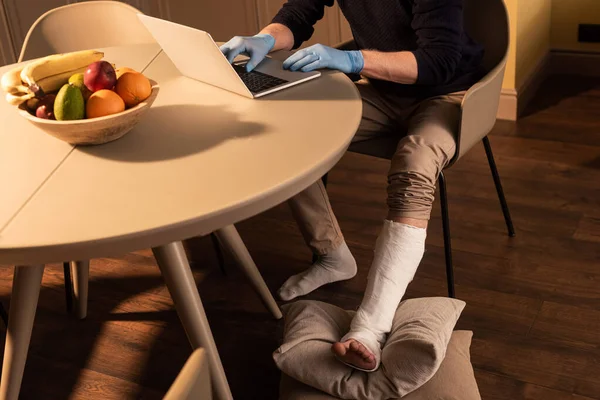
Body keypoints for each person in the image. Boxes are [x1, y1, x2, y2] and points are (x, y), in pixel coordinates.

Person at [221, 0, 484, 372]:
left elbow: (439, 62)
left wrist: (355, 60)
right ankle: (333, 256)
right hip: (384, 89)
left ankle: (371, 326)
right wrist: (262, 39)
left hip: (448, 93)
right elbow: (297, 16)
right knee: (291, 136)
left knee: (414, 166)